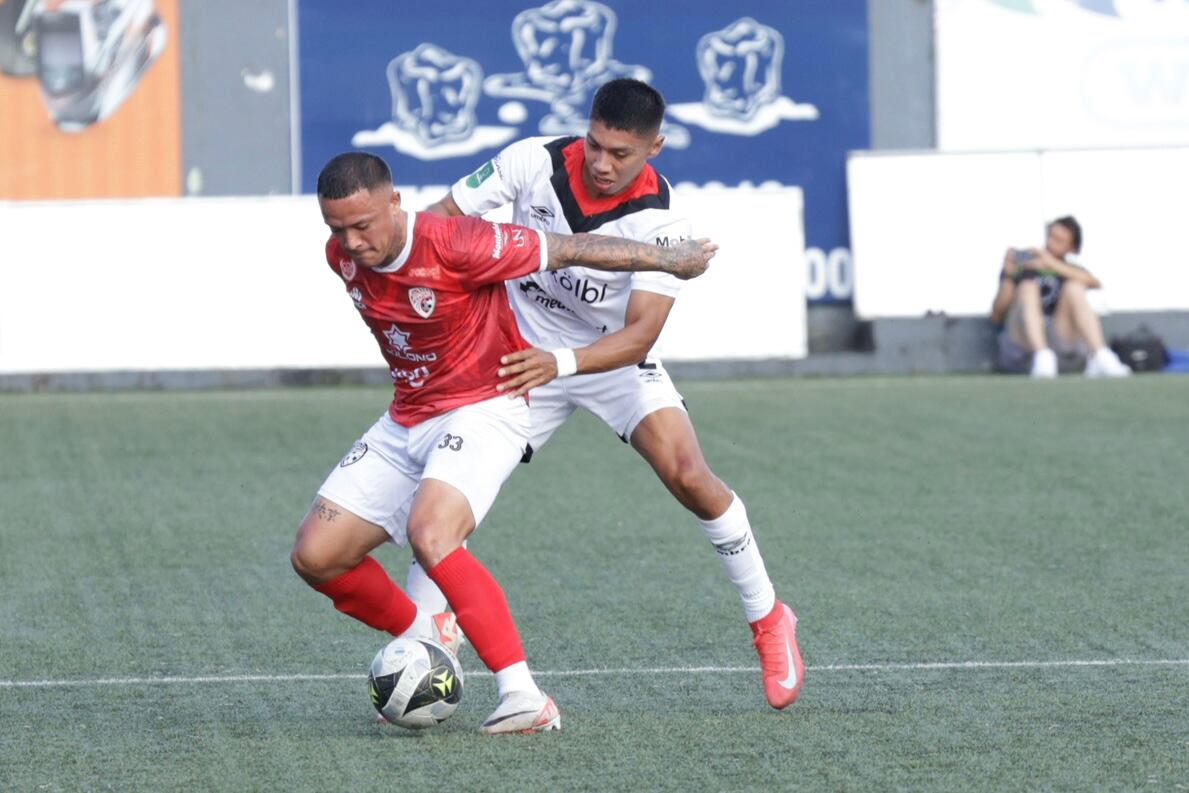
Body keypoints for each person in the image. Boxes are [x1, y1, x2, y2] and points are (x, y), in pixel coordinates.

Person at [406, 78, 804, 711]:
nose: (602, 162)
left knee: (688, 473)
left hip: (606, 357)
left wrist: (561, 364)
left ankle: (768, 617)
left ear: (654, 148)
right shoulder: (530, 160)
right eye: (595, 144)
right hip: (517, 351)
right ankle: (429, 635)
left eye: (621, 153)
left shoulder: (665, 225)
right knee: (449, 490)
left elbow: (640, 337)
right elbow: (438, 222)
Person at [290, 151, 715, 735]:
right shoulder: (339, 255)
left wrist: (668, 259)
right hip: (407, 416)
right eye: (337, 228)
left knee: (432, 533)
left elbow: (570, 248)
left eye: (362, 225)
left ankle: (524, 697)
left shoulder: (460, 242)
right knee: (315, 556)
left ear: (395, 203)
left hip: (486, 405)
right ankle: (426, 632)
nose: (351, 242)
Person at [991, 216, 1131, 378]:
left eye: (1059, 240)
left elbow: (1095, 283)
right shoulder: (1023, 267)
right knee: (1028, 287)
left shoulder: (1071, 270)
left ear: (1071, 247)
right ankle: (1042, 355)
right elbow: (997, 315)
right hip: (1023, 348)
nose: (1051, 243)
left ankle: (1101, 355)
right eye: (1050, 236)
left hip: (1060, 345)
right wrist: (1009, 276)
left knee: (1074, 288)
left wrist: (1051, 264)